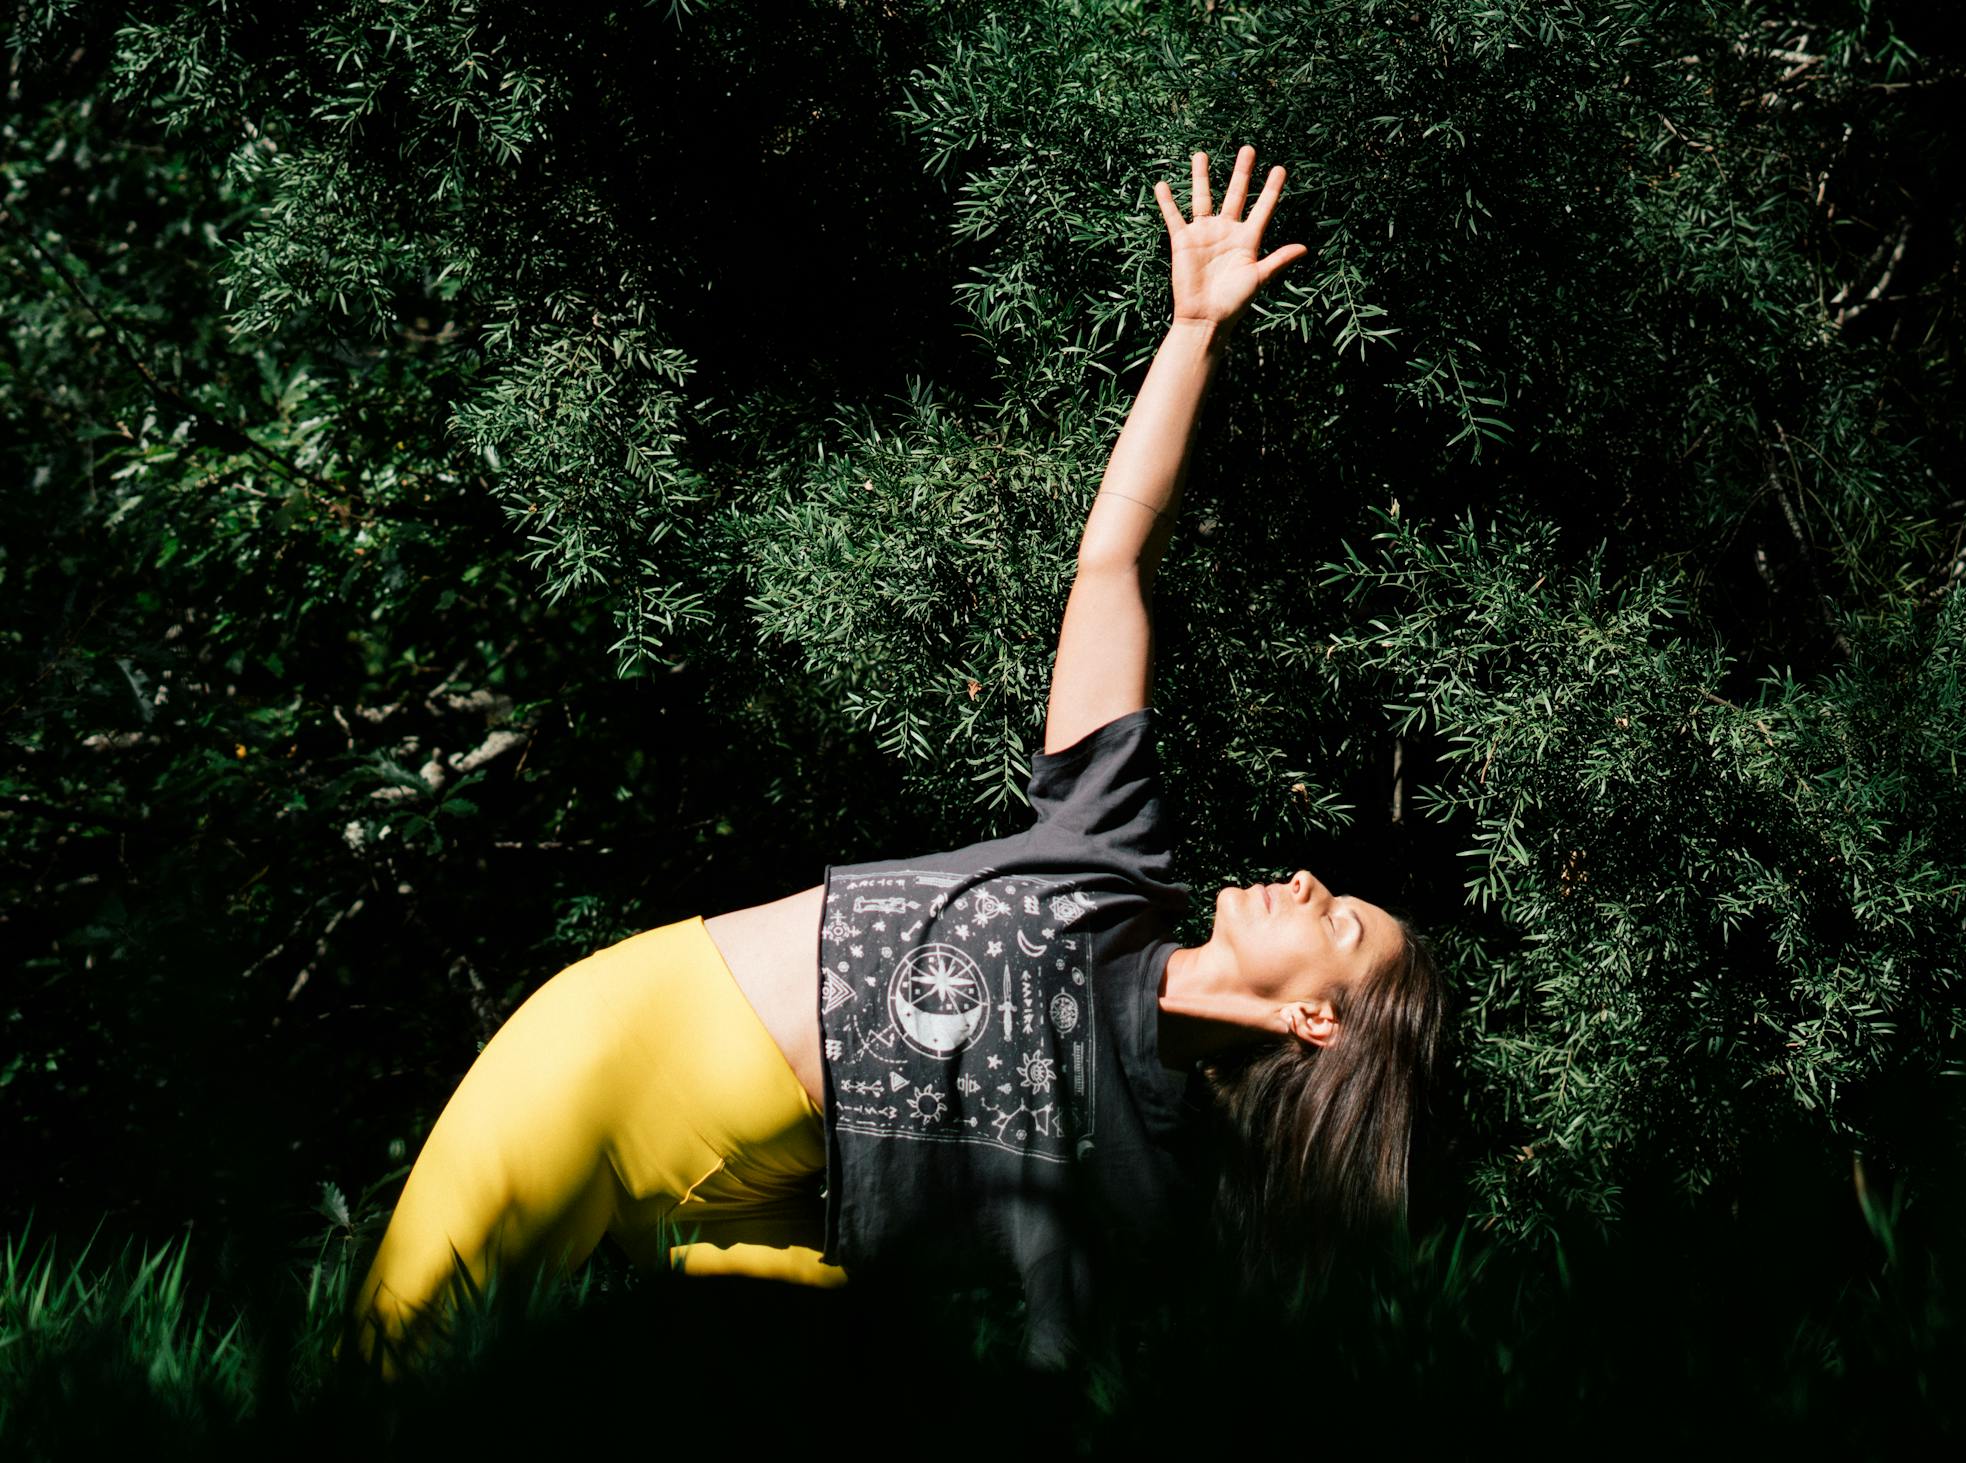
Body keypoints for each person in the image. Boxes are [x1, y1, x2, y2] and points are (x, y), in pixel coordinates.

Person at [342, 145, 1447, 1376]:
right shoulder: (1108, 858)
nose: (1309, 881)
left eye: (1342, 921)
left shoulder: (1142, 1174)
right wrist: (1192, 331)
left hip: (764, 1217)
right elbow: (1111, 569)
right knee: (391, 1374)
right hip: (615, 1055)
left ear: (1311, 1021)